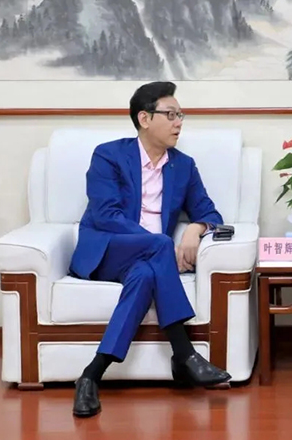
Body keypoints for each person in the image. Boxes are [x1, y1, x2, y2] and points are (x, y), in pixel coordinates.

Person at [70, 81, 230, 418]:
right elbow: (106, 215)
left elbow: (210, 213)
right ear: (144, 118)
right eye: (171, 115)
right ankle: (184, 354)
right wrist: (156, 244)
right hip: (107, 250)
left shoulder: (183, 165)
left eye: (181, 115)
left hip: (147, 261)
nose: (178, 122)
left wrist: (196, 230)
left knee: (144, 275)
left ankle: (91, 375)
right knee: (159, 244)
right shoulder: (108, 155)